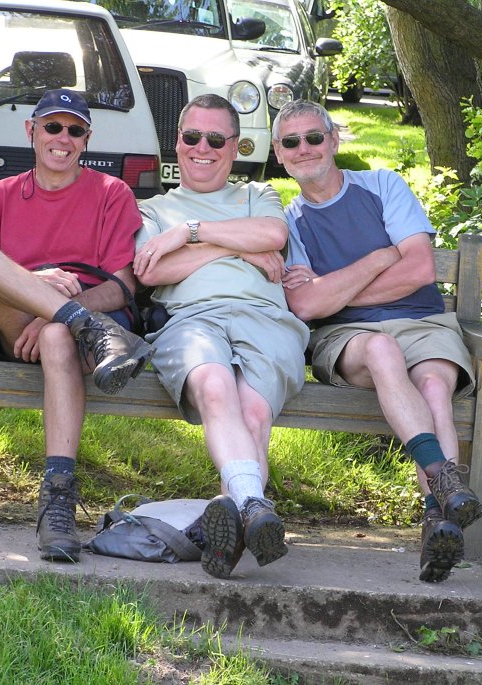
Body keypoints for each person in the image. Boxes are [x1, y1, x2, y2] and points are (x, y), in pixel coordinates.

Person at [0, 88, 154, 563]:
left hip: (89, 327)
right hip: (21, 324)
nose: (63, 138)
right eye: (53, 126)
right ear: (31, 132)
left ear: (86, 139)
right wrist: (36, 287)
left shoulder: (112, 193)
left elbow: (122, 285)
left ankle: (57, 502)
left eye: (75, 130)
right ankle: (72, 321)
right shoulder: (0, 196)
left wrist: (61, 316)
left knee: (57, 333)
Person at [272, 100, 482, 583]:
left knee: (435, 389)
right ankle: (447, 486)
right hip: (349, 337)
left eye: (314, 137)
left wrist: (336, 288)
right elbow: (307, 308)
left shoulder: (383, 185)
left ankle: (438, 523)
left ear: (334, 140)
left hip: (425, 321)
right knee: (382, 349)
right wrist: (379, 257)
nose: (304, 148)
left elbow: (421, 269)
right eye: (291, 142)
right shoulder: (290, 222)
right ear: (279, 155)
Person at [133, 94, 309, 580]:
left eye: (216, 139)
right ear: (177, 143)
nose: (202, 148)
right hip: (191, 319)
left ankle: (230, 528)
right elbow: (150, 270)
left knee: (253, 410)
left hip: (266, 321)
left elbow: (273, 234)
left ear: (235, 148)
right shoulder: (152, 209)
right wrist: (235, 249)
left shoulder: (257, 196)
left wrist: (190, 233)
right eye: (192, 137)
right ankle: (253, 505)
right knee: (214, 382)